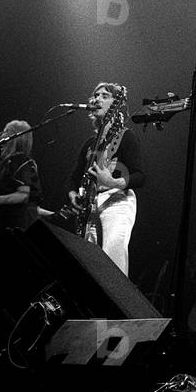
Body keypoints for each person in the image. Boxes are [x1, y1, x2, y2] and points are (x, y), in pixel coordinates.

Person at [66, 82, 145, 276]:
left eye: (104, 96)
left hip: (117, 200)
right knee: (88, 263)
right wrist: (73, 194)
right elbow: (73, 177)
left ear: (116, 104)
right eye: (96, 95)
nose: (97, 99)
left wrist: (112, 182)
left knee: (112, 258)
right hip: (91, 204)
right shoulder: (89, 143)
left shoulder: (126, 136)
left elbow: (140, 176)